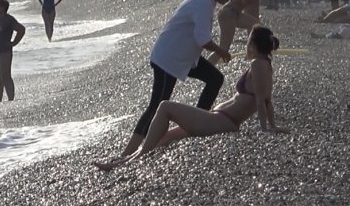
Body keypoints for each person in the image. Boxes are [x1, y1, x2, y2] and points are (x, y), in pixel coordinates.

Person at [93, 26, 289, 171]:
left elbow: (263, 100)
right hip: (219, 118)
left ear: (253, 45)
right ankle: (123, 163)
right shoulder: (263, 65)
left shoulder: (258, 64)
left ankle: (128, 161)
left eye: (248, 41)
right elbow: (265, 99)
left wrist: (267, 128)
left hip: (222, 121)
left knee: (165, 106)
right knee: (164, 136)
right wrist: (271, 125)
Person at [115, 0, 242, 159]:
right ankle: (127, 153)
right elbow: (203, 40)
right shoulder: (204, 3)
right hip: (168, 58)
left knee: (215, 79)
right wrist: (222, 51)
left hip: (184, 57)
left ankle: (199, 121)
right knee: (157, 104)